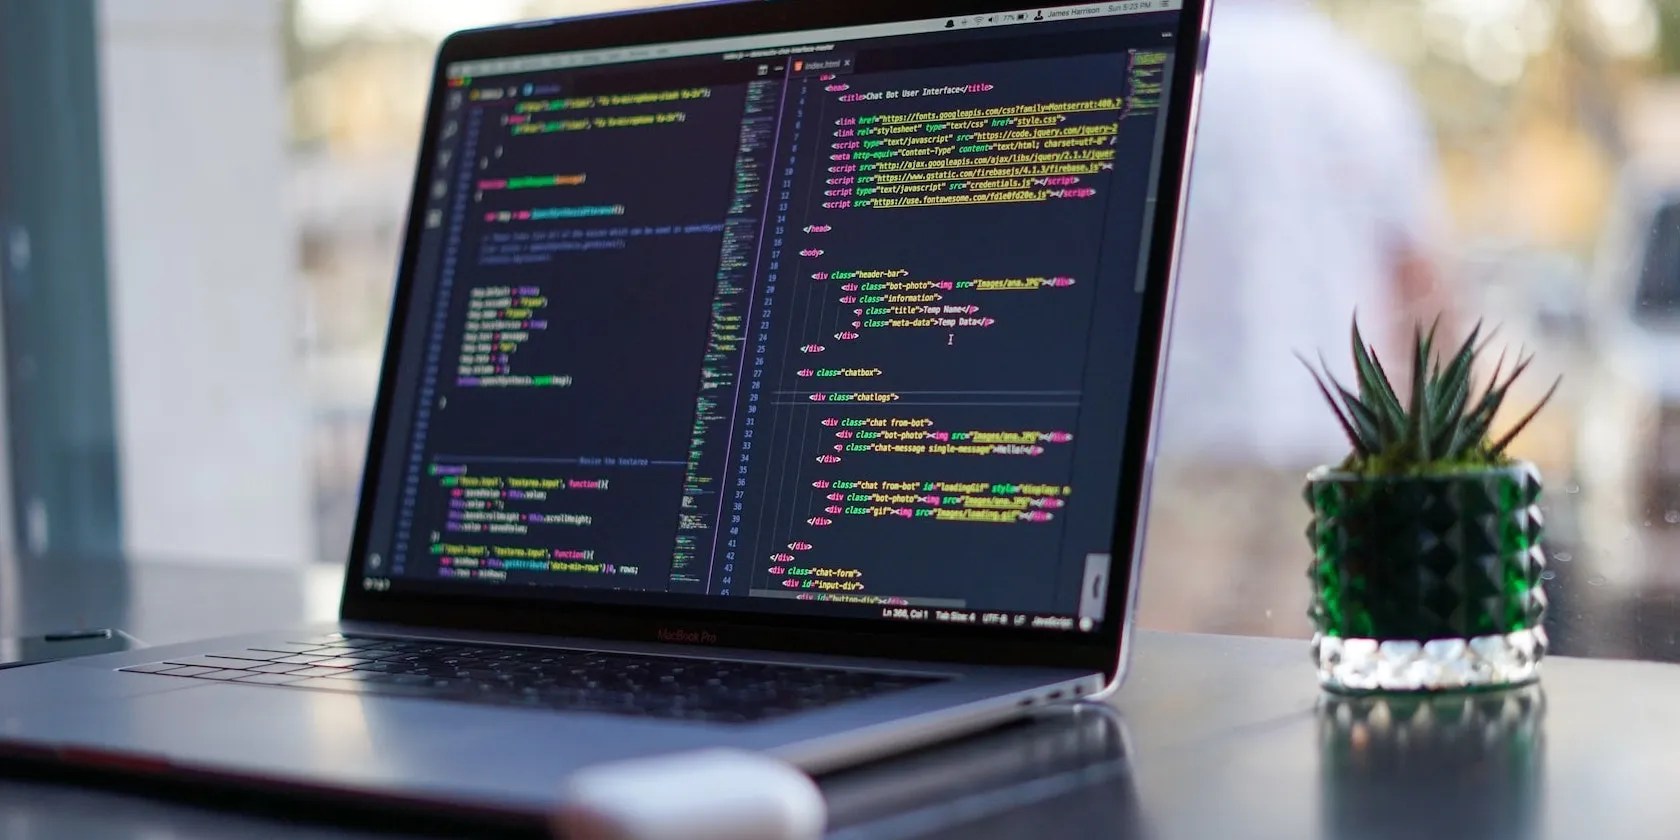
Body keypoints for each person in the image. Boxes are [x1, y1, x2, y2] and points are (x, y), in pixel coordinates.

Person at [1139, 0, 1451, 636]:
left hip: (1181, 448)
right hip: (1334, 457)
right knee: (1300, 702)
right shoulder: (1362, 84)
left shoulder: (1164, 70)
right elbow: (1424, 289)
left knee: (1165, 699)